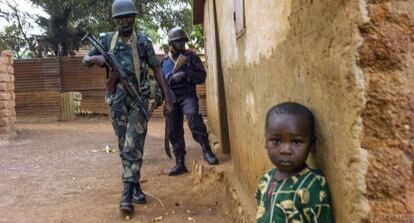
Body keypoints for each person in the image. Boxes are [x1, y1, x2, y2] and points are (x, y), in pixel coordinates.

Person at [82, 0, 174, 214]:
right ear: (115, 20)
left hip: (138, 100)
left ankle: (126, 194)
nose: (124, 20)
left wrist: (168, 99)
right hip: (117, 101)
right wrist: (97, 59)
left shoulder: (142, 41)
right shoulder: (106, 40)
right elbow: (85, 60)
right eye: (120, 17)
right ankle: (135, 185)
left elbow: (158, 70)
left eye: (128, 16)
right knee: (125, 145)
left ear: (134, 17)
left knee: (133, 144)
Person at [256, 102, 334, 222]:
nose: (286, 150)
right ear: (266, 142)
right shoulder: (265, 180)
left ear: (311, 145)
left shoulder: (311, 185)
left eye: (296, 142)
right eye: (276, 141)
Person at [160, 27, 219, 176]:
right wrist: (162, 100)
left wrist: (185, 74)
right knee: (174, 129)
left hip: (187, 95)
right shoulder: (164, 62)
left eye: (183, 41)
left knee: (193, 116)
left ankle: (207, 151)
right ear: (171, 44)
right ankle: (180, 163)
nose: (182, 44)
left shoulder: (191, 57)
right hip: (171, 98)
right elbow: (160, 84)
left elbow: (201, 76)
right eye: (179, 42)